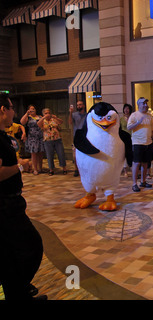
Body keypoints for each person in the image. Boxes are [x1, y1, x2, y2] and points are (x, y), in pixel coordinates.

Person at [0, 93, 45, 300]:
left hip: (11, 203)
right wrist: (20, 165)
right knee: (32, 247)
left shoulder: (4, 136)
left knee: (10, 255)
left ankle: (17, 293)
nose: (13, 113)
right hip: (6, 206)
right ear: (3, 111)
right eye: (11, 108)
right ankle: (19, 288)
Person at [127, 97, 153, 192]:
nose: (145, 105)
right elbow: (129, 127)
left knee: (145, 163)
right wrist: (138, 122)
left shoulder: (149, 116)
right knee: (136, 163)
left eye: (146, 103)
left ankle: (143, 181)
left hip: (148, 142)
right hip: (137, 143)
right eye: (143, 103)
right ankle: (134, 184)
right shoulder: (134, 115)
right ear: (138, 105)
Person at [37, 108, 67, 176]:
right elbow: (38, 124)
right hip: (48, 140)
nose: (47, 114)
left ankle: (64, 168)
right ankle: (51, 169)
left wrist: (55, 117)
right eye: (46, 113)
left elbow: (61, 122)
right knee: (49, 155)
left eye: (48, 113)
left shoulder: (53, 119)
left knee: (61, 154)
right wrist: (43, 117)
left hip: (57, 139)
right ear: (43, 114)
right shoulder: (42, 120)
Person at [20, 105, 45, 175]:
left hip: (40, 136)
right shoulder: (28, 117)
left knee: (40, 152)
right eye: (31, 109)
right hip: (32, 137)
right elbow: (22, 122)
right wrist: (27, 113)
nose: (32, 110)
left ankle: (40, 168)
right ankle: (35, 169)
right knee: (34, 153)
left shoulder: (39, 116)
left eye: (33, 109)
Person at [69, 100, 87, 177]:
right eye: (78, 105)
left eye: (80, 105)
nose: (79, 106)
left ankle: (85, 169)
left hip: (85, 137)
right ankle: (76, 169)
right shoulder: (74, 114)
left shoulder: (87, 115)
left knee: (85, 155)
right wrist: (70, 113)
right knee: (75, 155)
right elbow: (70, 122)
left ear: (83, 105)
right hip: (76, 137)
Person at [120, 103, 133, 177]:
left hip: (132, 137)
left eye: (127, 108)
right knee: (124, 153)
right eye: (125, 108)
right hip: (124, 138)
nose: (126, 110)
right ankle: (125, 170)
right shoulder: (121, 119)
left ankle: (132, 168)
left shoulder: (133, 117)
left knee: (131, 153)